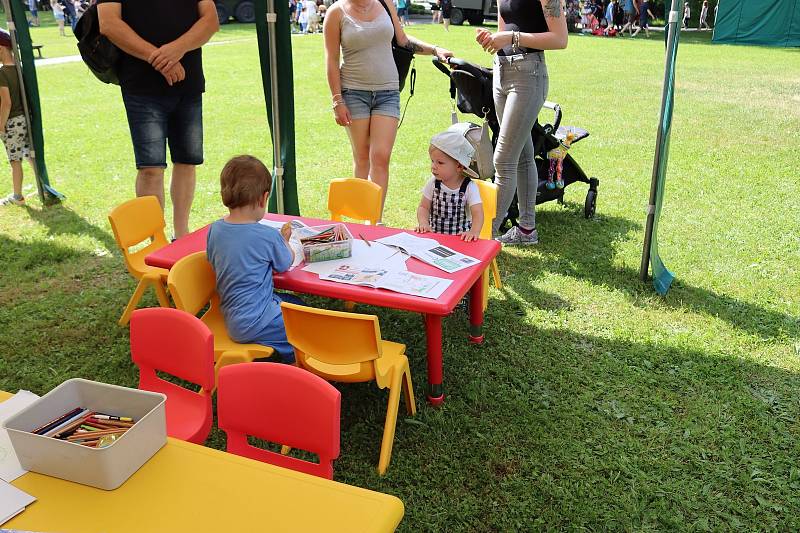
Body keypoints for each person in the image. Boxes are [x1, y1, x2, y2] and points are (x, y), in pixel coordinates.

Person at [97, 0, 219, 239]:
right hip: (141, 86)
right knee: (150, 168)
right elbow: (109, 23)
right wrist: (159, 58)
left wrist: (176, 49)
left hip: (188, 81)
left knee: (187, 161)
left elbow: (210, 20)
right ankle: (156, 240)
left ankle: (182, 235)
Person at [323, 0, 452, 221]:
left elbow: (402, 40)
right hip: (354, 93)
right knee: (362, 157)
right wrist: (337, 101)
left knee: (381, 157)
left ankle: (375, 220)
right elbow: (332, 59)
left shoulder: (385, 3)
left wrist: (435, 49)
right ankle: (362, 217)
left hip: (387, 92)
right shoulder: (336, 13)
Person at [475, 0, 567, 245]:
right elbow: (502, 33)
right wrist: (491, 39)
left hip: (528, 76)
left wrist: (511, 38)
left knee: (503, 159)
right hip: (501, 72)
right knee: (523, 155)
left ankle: (484, 235)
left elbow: (560, 39)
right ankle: (527, 230)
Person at [206, 155, 304, 364]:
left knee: (296, 303)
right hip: (256, 320)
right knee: (304, 322)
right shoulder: (267, 236)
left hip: (231, 314)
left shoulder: (215, 230)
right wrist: (285, 242)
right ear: (263, 198)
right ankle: (296, 365)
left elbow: (215, 258)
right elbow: (286, 262)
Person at [416, 127, 483, 241]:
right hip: (434, 237)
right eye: (432, 161)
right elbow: (423, 207)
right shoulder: (433, 183)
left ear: (459, 166)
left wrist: (473, 231)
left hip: (460, 239)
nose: (433, 166)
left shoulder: (469, 187)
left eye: (440, 162)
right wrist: (424, 223)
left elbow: (478, 214)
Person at [0, 31, 34, 207]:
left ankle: (17, 196)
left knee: (15, 160)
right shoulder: (20, 68)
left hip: (12, 121)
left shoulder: (2, 73)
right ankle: (43, 186)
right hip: (25, 119)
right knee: (29, 154)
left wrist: (0, 125)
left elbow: (6, 103)